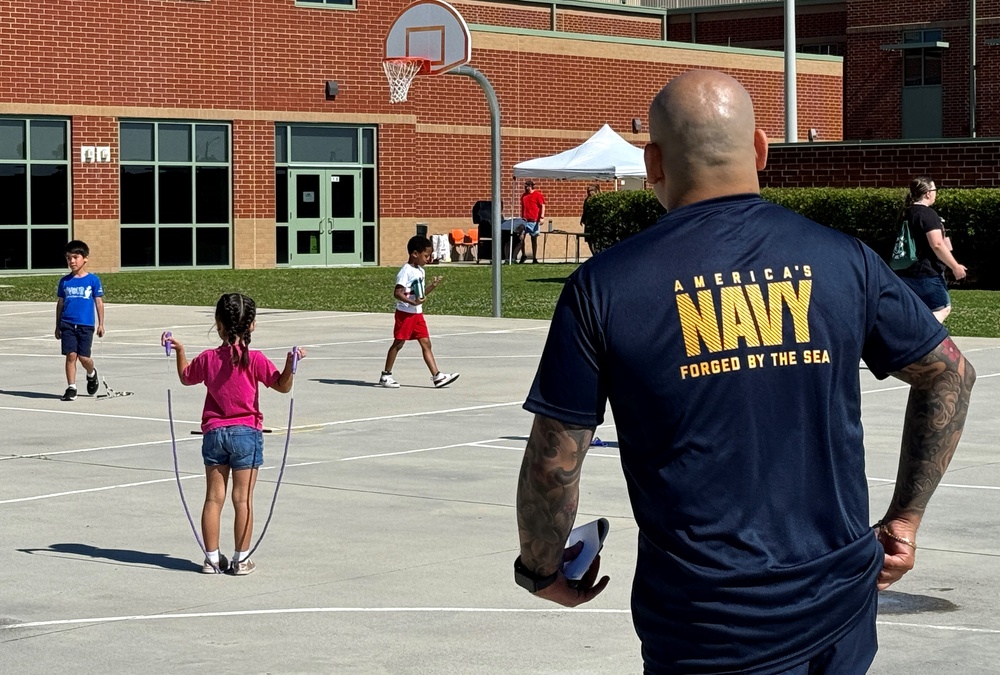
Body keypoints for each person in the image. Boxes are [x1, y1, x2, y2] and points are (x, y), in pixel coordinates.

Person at [513, 70, 976, 674]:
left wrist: (542, 567)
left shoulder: (605, 287)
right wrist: (906, 518)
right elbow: (951, 375)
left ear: (651, 162)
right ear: (760, 147)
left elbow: (555, 461)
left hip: (705, 627)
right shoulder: (845, 261)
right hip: (837, 612)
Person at [162, 293, 305, 576]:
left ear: (218, 325)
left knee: (213, 498)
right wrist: (290, 365)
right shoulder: (256, 359)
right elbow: (282, 386)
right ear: (251, 326)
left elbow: (185, 377)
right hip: (246, 435)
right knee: (243, 499)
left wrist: (180, 350)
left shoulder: (208, 359)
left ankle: (212, 558)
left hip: (215, 433)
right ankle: (241, 559)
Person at [379, 235, 459, 389]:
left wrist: (432, 286)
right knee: (399, 343)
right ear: (415, 254)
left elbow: (420, 294)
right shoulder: (406, 271)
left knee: (426, 343)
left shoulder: (420, 271)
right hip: (406, 314)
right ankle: (386, 375)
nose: (428, 259)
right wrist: (412, 302)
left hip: (417, 313)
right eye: (426, 255)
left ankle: (437, 376)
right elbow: (397, 293)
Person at [893, 176, 967, 322]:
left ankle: (910, 338)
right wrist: (955, 266)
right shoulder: (927, 214)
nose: (936, 193)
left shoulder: (905, 213)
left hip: (904, 269)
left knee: (917, 310)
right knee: (942, 308)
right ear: (927, 193)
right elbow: (937, 244)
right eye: (935, 190)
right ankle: (923, 339)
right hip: (926, 271)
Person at [55, 240, 105, 401]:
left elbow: (98, 302)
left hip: (86, 324)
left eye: (75, 257)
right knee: (71, 355)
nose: (72, 261)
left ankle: (91, 373)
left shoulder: (93, 280)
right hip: (67, 323)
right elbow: (60, 304)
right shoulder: (64, 281)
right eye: (69, 258)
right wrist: (57, 326)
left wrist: (101, 324)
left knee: (84, 358)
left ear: (85, 258)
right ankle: (71, 387)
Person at [516, 179, 546, 263]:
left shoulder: (537, 195)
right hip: (524, 220)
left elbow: (542, 206)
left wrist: (542, 217)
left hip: (534, 220)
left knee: (534, 239)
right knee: (521, 237)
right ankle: (524, 255)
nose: (525, 188)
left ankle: (534, 257)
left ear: (530, 186)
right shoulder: (524, 196)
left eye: (527, 187)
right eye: (525, 187)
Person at [580, 183, 600, 256]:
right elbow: (585, 211)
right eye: (588, 191)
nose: (589, 193)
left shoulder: (598, 200)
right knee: (588, 239)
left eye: (590, 191)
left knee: (595, 240)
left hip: (595, 224)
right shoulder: (586, 200)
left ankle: (596, 253)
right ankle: (593, 254)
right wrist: (582, 219)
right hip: (588, 223)